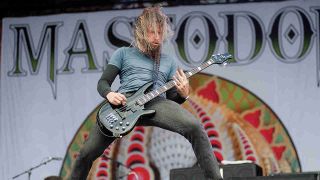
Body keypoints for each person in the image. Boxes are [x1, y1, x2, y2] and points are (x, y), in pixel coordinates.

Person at [71, 6, 223, 180]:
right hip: (124, 103)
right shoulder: (123, 53)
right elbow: (103, 82)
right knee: (86, 153)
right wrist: (109, 94)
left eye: (160, 33)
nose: (157, 38)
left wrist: (183, 93)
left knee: (195, 127)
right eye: (152, 32)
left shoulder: (168, 61)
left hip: (157, 102)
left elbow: (173, 100)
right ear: (141, 32)